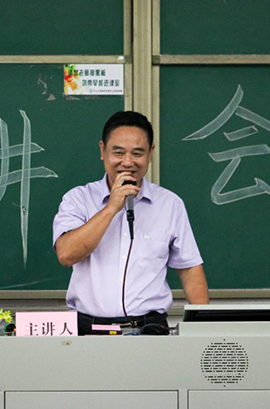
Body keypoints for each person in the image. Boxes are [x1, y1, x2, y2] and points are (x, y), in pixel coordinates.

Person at [53, 111, 208, 334]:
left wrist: (204, 329)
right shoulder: (78, 199)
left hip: (150, 330)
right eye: (118, 152)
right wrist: (111, 207)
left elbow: (190, 268)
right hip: (89, 331)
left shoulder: (170, 204)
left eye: (137, 153)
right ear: (102, 151)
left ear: (150, 153)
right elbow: (66, 254)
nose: (127, 162)